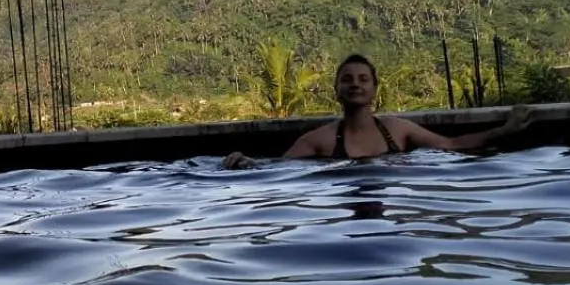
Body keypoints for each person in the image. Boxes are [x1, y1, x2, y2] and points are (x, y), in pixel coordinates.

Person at [223, 53, 532, 167]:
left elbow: (451, 146)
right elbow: (276, 170)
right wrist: (246, 162)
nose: (355, 84)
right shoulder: (319, 140)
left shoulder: (397, 129)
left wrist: (505, 131)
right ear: (337, 90)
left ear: (374, 89)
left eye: (362, 79)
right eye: (347, 80)